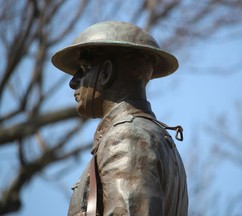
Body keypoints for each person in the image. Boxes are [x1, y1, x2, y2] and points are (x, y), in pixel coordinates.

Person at [52, 21, 188, 216]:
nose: (73, 82)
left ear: (106, 73)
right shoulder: (158, 139)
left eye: (84, 68)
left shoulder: (127, 138)